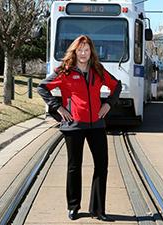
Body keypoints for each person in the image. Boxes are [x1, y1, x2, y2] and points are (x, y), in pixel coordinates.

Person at [37, 35, 121, 221]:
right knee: (74, 166)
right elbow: (42, 87)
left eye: (86, 50)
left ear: (91, 52)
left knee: (102, 166)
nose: (83, 53)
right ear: (74, 52)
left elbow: (116, 86)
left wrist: (108, 104)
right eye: (80, 50)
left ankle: (98, 209)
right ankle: (73, 206)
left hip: (97, 125)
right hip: (74, 125)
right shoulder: (65, 71)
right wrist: (58, 107)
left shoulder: (98, 70)